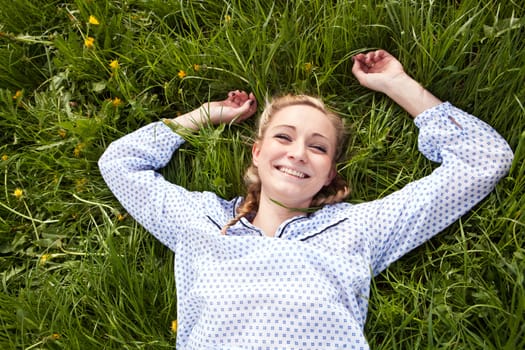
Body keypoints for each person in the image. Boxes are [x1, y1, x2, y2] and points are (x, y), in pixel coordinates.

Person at [98, 50, 513, 349]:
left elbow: (483, 159)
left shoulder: (358, 228)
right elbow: (120, 164)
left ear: (330, 173)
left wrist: (397, 84)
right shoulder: (201, 221)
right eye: (283, 137)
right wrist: (204, 116)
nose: (297, 153)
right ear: (257, 153)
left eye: (318, 147)